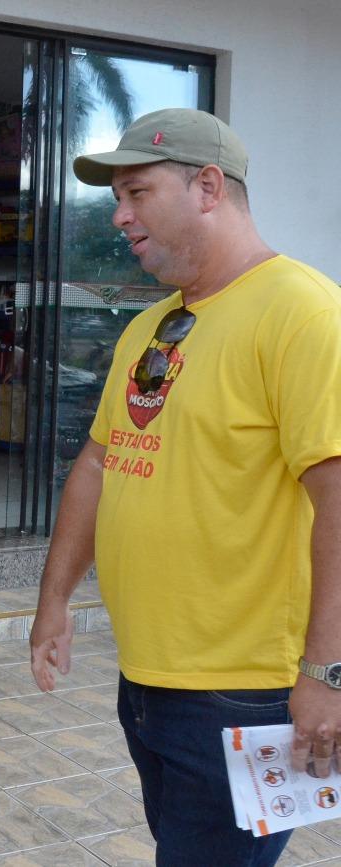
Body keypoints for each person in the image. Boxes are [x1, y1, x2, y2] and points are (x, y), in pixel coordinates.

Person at [29, 108, 341, 864]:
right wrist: (55, 597)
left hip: (247, 696)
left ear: (208, 186)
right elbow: (100, 462)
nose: (120, 214)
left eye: (137, 192)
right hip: (148, 680)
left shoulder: (302, 312)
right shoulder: (152, 327)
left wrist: (327, 673)